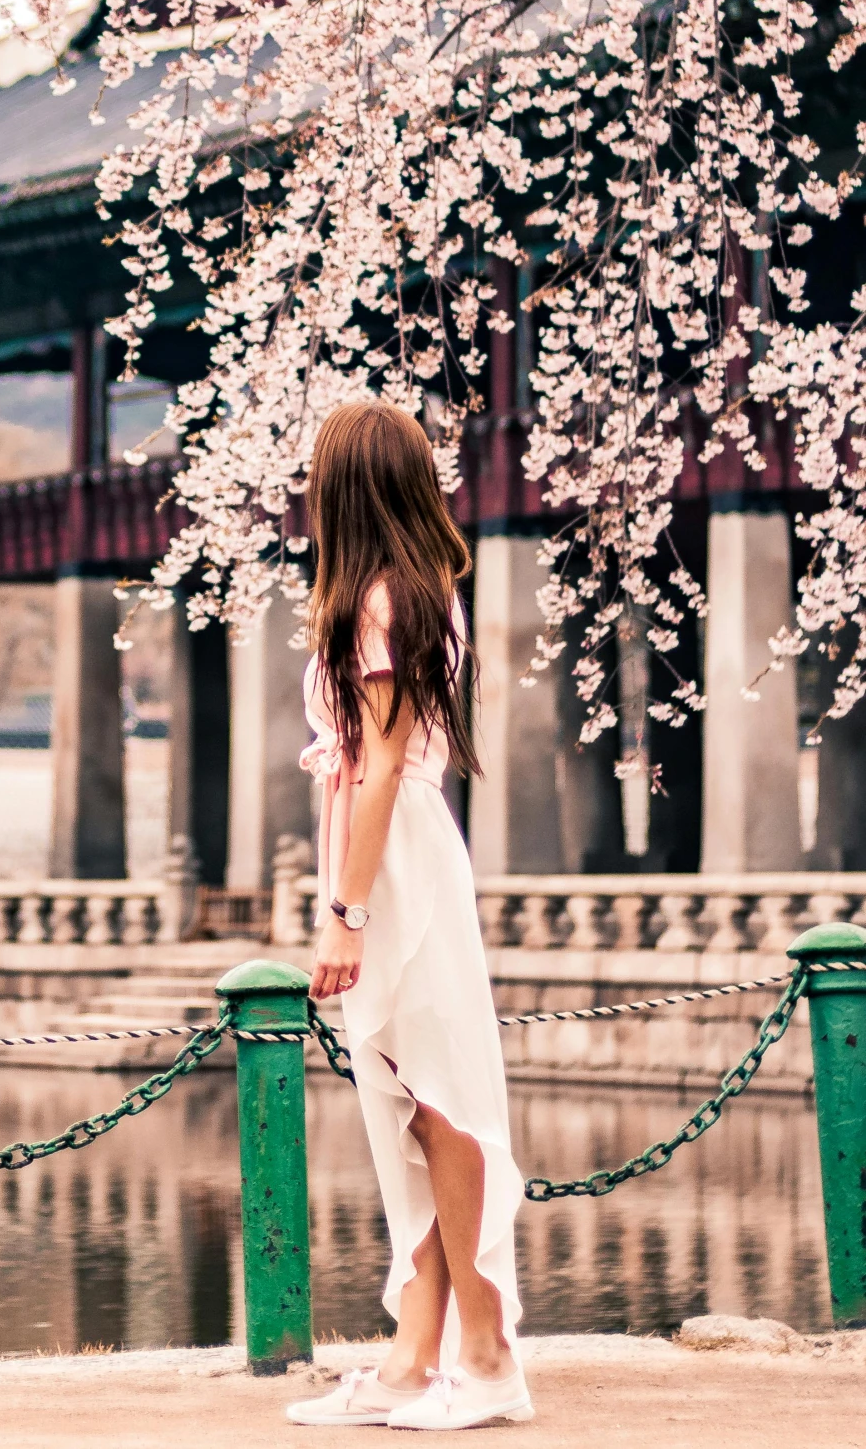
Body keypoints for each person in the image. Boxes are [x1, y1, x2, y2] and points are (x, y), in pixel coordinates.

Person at [283, 399, 531, 1432]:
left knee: (436, 1102)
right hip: (390, 851)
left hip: (395, 865)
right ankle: (410, 1356)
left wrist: (345, 907)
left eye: (317, 477)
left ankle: (485, 1356)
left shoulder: (384, 599)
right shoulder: (403, 593)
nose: (304, 494)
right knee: (401, 1106)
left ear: (346, 488)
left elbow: (383, 763)